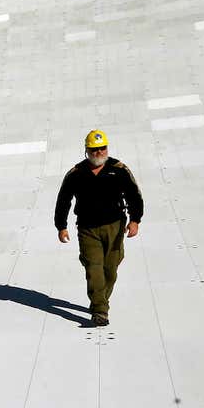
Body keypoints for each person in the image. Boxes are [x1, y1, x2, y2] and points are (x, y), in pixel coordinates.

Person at [54, 130, 144, 327]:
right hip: (88, 229)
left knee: (110, 269)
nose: (98, 152)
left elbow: (134, 195)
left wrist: (135, 220)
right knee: (94, 268)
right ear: (87, 150)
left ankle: (100, 298)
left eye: (102, 148)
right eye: (94, 149)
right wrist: (61, 226)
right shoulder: (76, 174)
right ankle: (100, 310)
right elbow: (63, 201)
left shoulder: (119, 169)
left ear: (107, 148)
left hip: (115, 226)